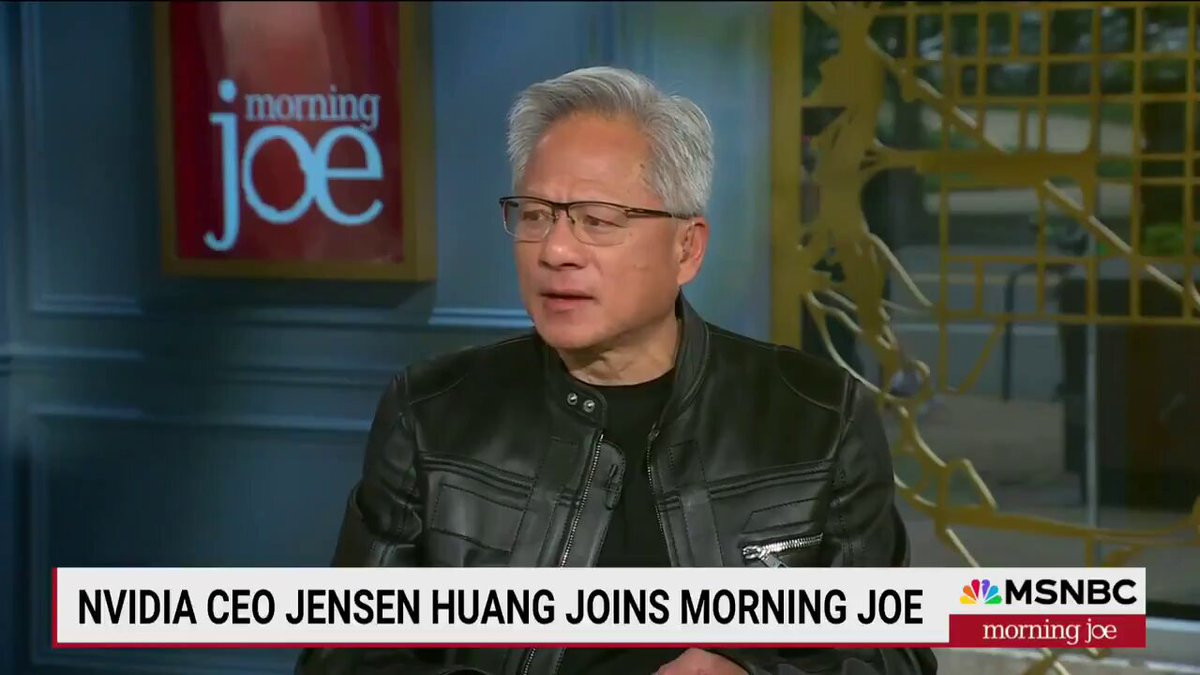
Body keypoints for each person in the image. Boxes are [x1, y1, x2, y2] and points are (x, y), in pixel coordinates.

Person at [296, 66, 937, 675]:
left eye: (598, 221)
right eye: (535, 215)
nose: (556, 250)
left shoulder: (819, 420)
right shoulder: (431, 415)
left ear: (687, 248)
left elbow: (892, 658)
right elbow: (341, 659)